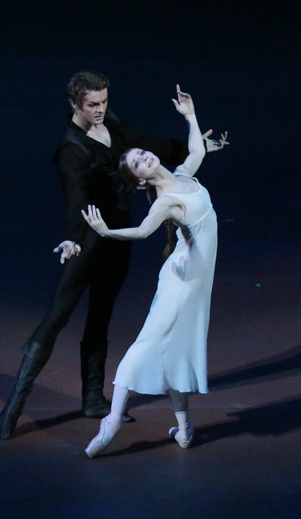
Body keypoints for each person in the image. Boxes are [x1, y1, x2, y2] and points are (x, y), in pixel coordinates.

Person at [0, 71, 227, 440]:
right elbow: (75, 197)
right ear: (75, 104)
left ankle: (93, 398)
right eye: (93, 104)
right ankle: (12, 408)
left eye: (104, 101)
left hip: (117, 237)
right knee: (56, 318)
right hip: (88, 241)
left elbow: (147, 145)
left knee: (101, 316)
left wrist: (192, 147)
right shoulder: (71, 150)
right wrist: (73, 239)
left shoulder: (112, 123)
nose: (100, 109)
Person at [80, 85, 225, 457]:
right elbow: (144, 231)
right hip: (181, 282)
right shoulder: (165, 202)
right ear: (141, 179)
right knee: (148, 344)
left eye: (143, 154)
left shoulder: (183, 176)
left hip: (194, 278)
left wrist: (190, 116)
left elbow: (196, 151)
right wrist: (107, 231)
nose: (145, 158)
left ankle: (184, 429)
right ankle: (112, 421)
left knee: (175, 352)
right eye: (139, 163)